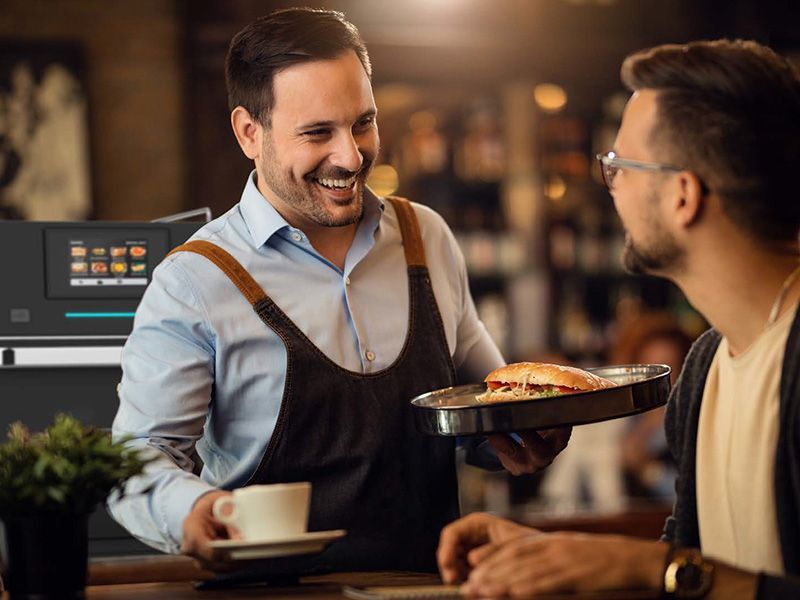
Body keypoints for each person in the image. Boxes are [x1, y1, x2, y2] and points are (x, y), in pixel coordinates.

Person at [108, 7, 569, 573]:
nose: (350, 156)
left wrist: (519, 439)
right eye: (317, 132)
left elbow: (479, 414)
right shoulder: (196, 280)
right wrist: (196, 507)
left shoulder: (428, 238)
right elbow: (136, 460)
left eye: (363, 123)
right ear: (249, 132)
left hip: (430, 586)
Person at [438, 39, 800, 598]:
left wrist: (647, 568)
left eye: (619, 166)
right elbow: (707, 568)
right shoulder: (705, 367)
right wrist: (547, 551)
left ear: (683, 195)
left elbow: (682, 574)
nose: (610, 188)